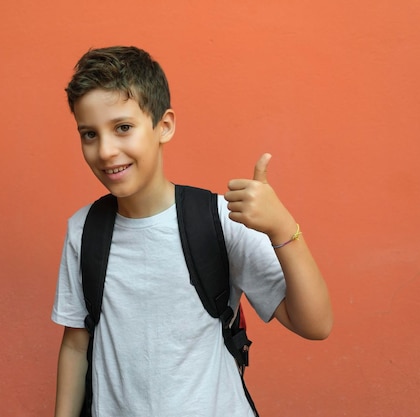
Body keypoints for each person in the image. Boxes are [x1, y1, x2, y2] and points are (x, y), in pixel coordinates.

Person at [51, 45, 332, 417]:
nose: (105, 151)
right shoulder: (83, 232)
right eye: (89, 134)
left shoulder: (219, 220)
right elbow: (75, 345)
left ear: (163, 126)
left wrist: (283, 229)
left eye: (123, 128)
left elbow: (315, 324)